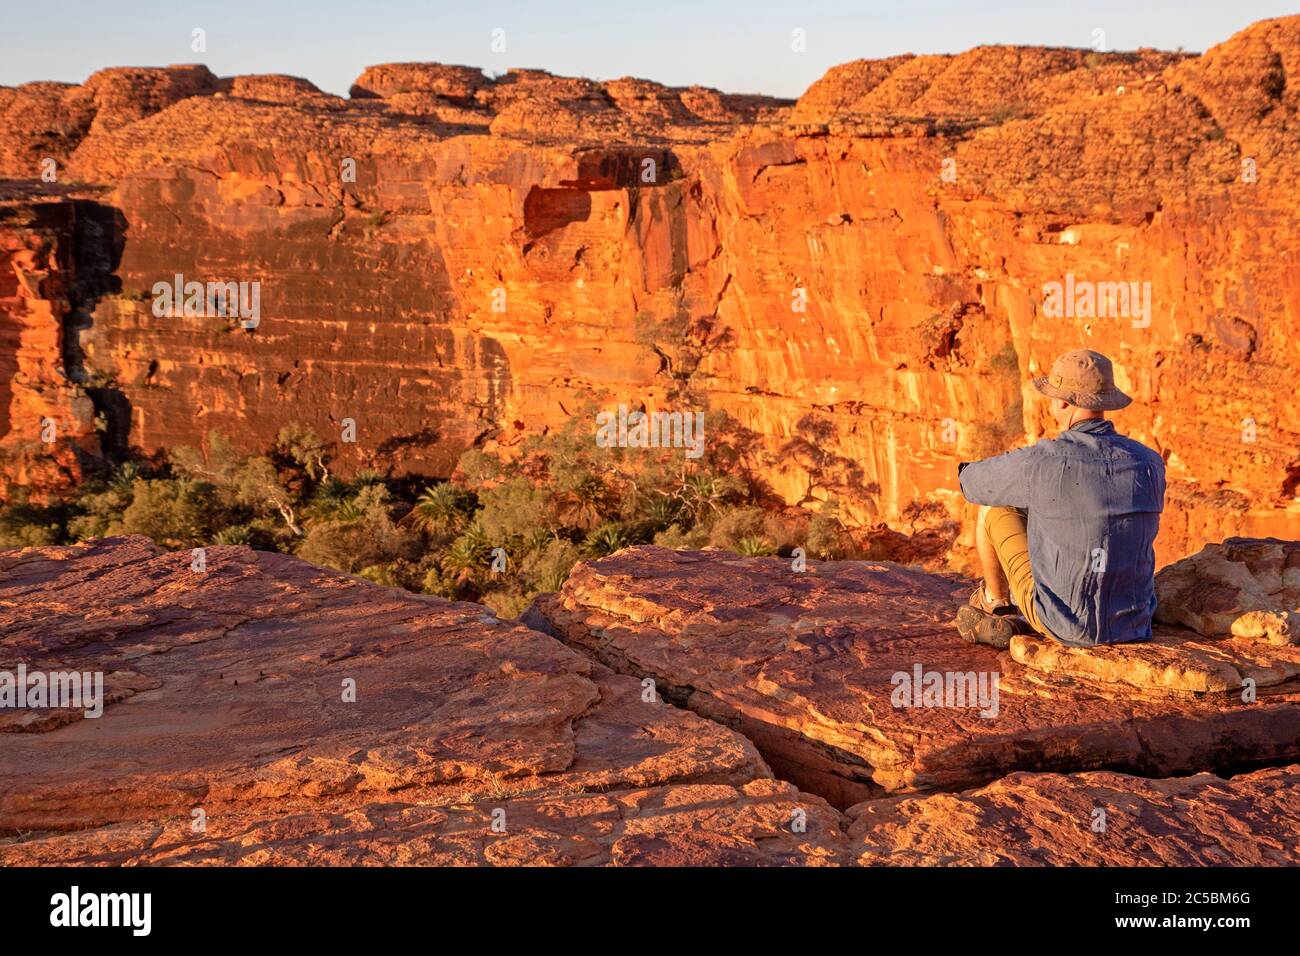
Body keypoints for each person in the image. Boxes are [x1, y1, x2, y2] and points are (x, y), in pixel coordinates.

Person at [955, 348, 1166, 649]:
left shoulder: (1045, 460)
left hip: (1065, 624)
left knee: (992, 505)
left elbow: (971, 483)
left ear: (1064, 402)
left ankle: (997, 604)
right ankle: (1015, 611)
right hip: (1133, 622)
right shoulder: (1150, 462)